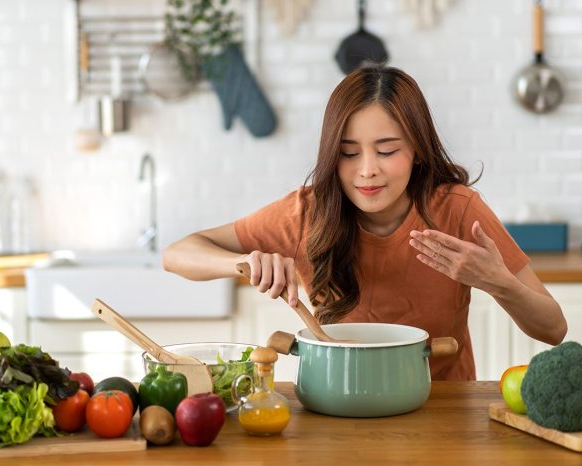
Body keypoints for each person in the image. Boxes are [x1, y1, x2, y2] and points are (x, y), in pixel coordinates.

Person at [163, 65, 567, 380]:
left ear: (418, 150)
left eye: (387, 150)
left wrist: (496, 280)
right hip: (336, 407)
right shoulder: (307, 213)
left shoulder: (457, 211)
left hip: (444, 410)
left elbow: (553, 329)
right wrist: (247, 262)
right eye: (349, 153)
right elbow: (177, 254)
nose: (367, 171)